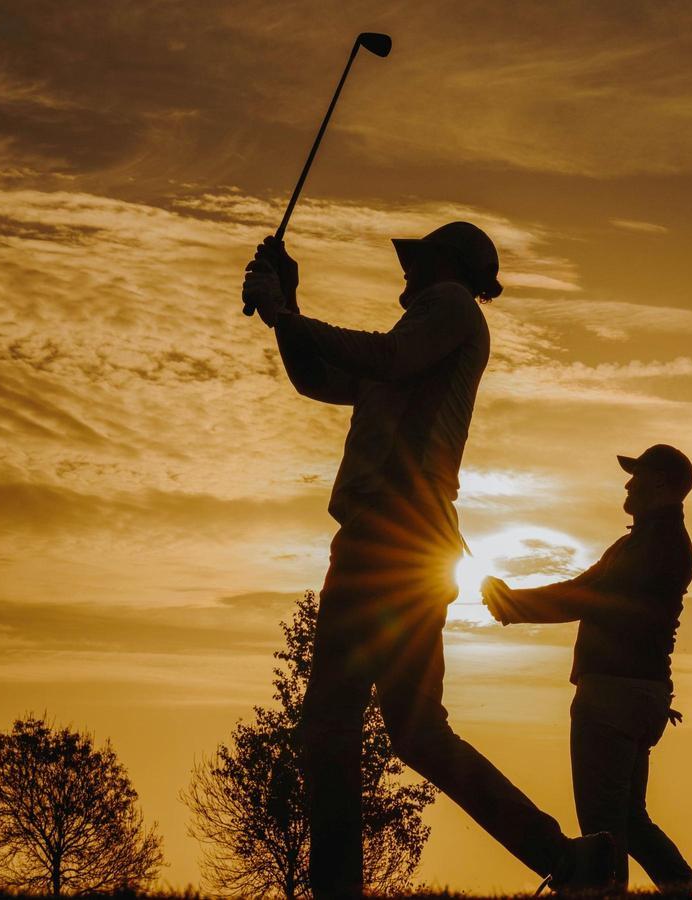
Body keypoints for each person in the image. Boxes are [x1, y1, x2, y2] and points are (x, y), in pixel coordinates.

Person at [241, 223, 612, 898]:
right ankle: (567, 860)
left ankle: (337, 892)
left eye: (418, 260)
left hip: (386, 539)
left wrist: (285, 311)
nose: (405, 272)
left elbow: (377, 360)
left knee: (331, 721)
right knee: (416, 732)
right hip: (413, 541)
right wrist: (285, 310)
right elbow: (317, 379)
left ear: (451, 267)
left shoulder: (448, 311)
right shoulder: (421, 336)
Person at [480, 444, 692, 893]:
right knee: (631, 823)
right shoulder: (647, 543)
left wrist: (512, 605)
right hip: (642, 696)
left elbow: (584, 597)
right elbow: (585, 589)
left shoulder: (650, 546)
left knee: (602, 831)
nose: (627, 482)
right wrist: (513, 603)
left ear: (660, 483)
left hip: (612, 697)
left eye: (636, 474)